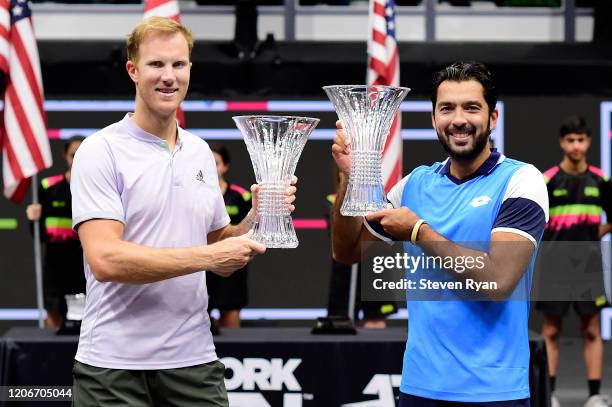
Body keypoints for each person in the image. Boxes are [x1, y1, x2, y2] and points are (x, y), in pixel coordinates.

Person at [69, 17, 296, 406]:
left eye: (178, 64)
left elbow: (219, 249)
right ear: (133, 70)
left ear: (190, 68)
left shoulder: (200, 153)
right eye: (156, 64)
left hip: (194, 360)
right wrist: (209, 256)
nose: (168, 77)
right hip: (112, 366)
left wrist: (257, 218)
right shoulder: (100, 149)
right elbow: (106, 259)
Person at [331, 61, 548, 406]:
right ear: (433, 119)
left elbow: (497, 282)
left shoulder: (522, 180)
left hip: (494, 392)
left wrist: (417, 231)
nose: (458, 119)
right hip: (420, 389)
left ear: (493, 118)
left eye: (472, 107)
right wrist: (346, 179)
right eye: (446, 108)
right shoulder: (414, 184)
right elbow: (348, 252)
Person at [537, 116, 611, 407]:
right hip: (555, 264)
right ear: (562, 142)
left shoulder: (601, 180)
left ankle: (593, 396)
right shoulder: (548, 179)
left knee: (591, 330)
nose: (576, 146)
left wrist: (594, 233)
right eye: (570, 140)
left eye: (581, 140)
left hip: (588, 266)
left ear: (589, 142)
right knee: (551, 331)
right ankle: (551, 394)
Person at [25, 136, 86, 329]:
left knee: (86, 321)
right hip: (55, 267)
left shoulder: (98, 187)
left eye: (82, 155)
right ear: (65, 156)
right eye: (73, 155)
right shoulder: (47, 187)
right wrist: (32, 219)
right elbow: (39, 236)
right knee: (53, 317)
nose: (77, 159)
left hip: (85, 266)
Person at [207, 144, 251, 328]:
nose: (211, 167)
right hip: (202, 263)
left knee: (231, 312)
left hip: (232, 264)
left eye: (216, 163)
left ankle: (234, 355)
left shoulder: (242, 196)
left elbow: (250, 229)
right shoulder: (196, 194)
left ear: (225, 166)